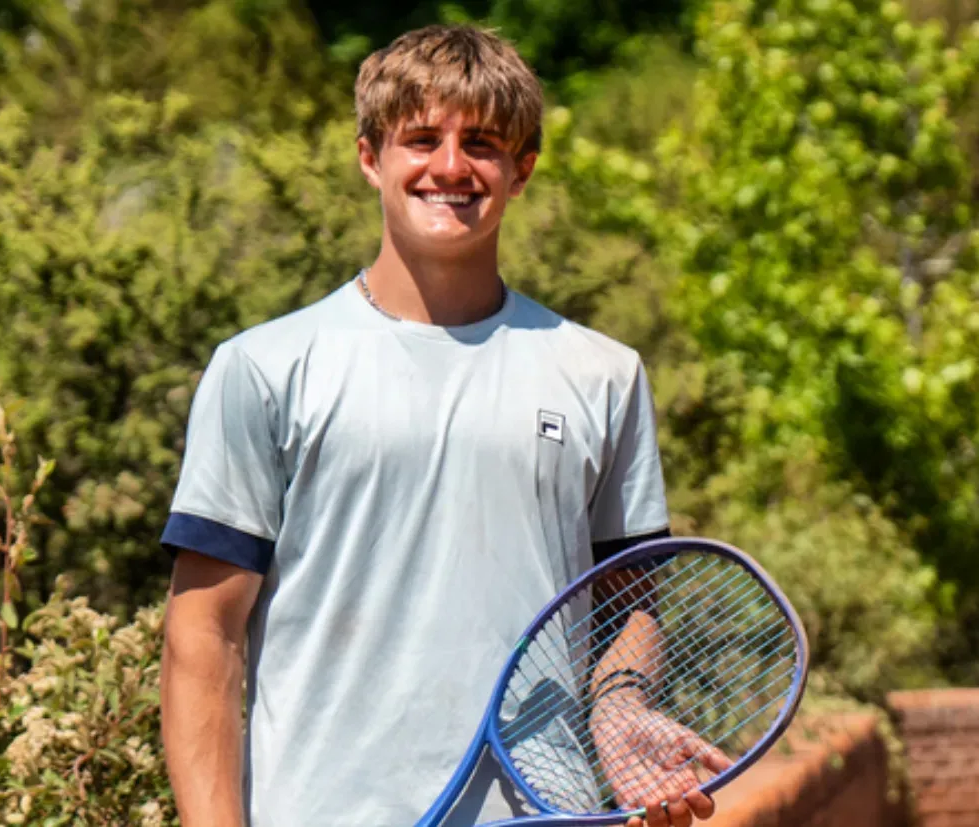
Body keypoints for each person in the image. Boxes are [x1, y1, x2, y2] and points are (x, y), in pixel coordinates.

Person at [160, 23, 723, 827]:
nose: (451, 167)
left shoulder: (605, 373)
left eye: (483, 144)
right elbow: (203, 635)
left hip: (543, 814)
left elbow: (629, 599)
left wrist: (622, 705)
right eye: (421, 138)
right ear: (369, 158)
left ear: (522, 168)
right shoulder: (263, 367)